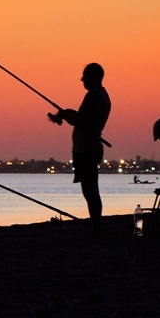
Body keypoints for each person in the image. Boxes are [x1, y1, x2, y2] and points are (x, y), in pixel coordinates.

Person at [49, 63, 111, 237]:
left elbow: (80, 120)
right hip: (91, 147)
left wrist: (66, 115)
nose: (82, 79)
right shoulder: (103, 95)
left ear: (94, 76)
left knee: (90, 191)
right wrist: (67, 113)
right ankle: (96, 227)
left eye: (84, 75)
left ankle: (97, 229)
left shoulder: (93, 95)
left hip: (86, 149)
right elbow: (85, 117)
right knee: (90, 189)